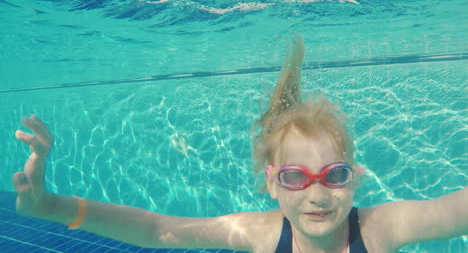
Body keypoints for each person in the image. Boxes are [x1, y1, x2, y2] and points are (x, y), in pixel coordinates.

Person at [13, 36, 467, 253]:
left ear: (355, 178)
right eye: (295, 177)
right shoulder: (264, 234)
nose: (317, 195)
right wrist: (48, 205)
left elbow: (453, 211)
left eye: (335, 175)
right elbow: (159, 230)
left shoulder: (379, 229)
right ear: (271, 182)